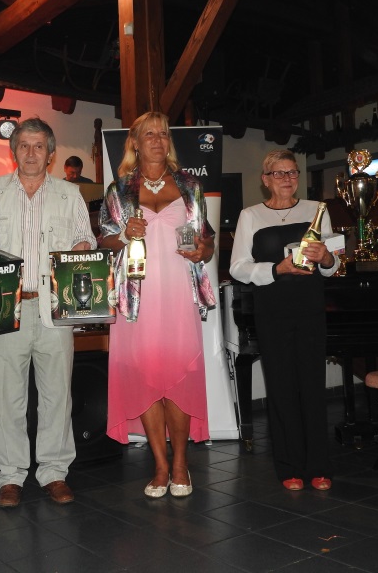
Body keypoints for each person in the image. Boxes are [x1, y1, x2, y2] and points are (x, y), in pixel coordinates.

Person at [99, 111, 215, 498]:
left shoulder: (189, 185)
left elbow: (207, 241)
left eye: (163, 134)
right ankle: (160, 466)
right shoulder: (120, 189)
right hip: (137, 297)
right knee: (146, 375)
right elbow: (104, 241)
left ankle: (181, 463)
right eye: (149, 134)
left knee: (178, 376)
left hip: (180, 293)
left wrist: (203, 251)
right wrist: (122, 235)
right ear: (134, 142)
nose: (157, 140)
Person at [0, 118, 97, 508]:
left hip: (55, 306)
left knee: (57, 395)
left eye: (39, 146)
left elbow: (86, 238)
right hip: (8, 306)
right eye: (24, 145)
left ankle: (53, 472)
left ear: (50, 154)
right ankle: (10, 476)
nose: (31, 153)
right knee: (7, 396)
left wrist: (83, 247)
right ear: (13, 151)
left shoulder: (70, 194)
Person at [229, 149, 339, 492]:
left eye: (292, 172)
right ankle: (289, 467)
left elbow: (332, 267)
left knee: (312, 386)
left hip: (310, 307)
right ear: (266, 180)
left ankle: (319, 466)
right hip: (272, 310)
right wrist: (277, 269)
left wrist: (327, 257)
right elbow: (238, 268)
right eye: (279, 173)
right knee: (280, 388)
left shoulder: (317, 210)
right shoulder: (250, 215)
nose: (287, 179)